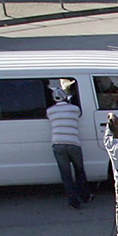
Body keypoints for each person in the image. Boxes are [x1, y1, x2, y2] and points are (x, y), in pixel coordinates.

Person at [46, 81, 89, 209]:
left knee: (66, 175)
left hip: (58, 144)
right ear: (65, 97)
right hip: (73, 143)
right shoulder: (74, 109)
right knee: (79, 171)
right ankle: (85, 196)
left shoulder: (50, 111)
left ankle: (74, 202)